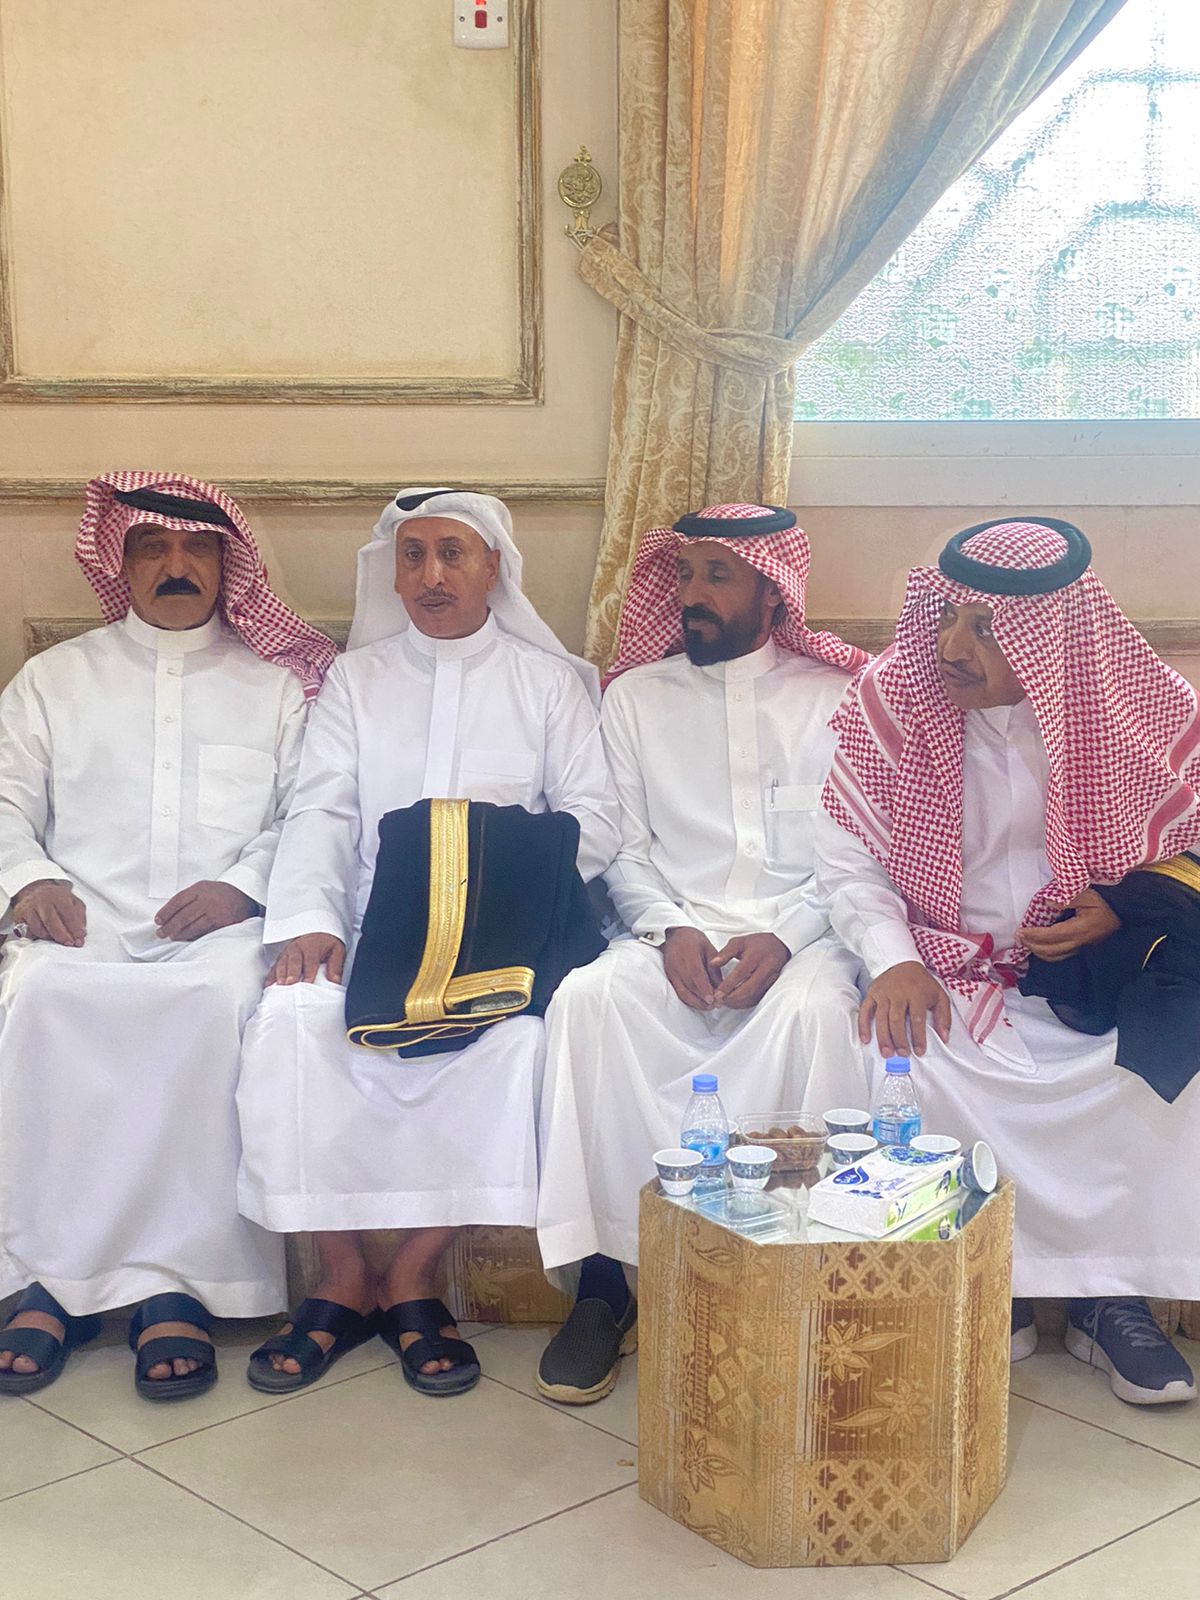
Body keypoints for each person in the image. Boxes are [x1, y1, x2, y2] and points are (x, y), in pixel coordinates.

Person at [235, 489, 620, 1398]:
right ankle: (341, 1277)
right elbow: (322, 809)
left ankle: (413, 1275)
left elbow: (595, 819)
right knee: (289, 1026)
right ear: (393, 573)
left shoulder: (548, 684)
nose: (432, 575)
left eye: (453, 554)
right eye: (413, 556)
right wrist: (309, 921)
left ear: (494, 570)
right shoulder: (355, 681)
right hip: (372, 925)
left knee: (516, 1045)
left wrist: (498, 888)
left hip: (505, 938)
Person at [816, 516, 1200, 1406]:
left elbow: (1189, 845)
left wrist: (1124, 907)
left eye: (986, 628)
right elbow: (844, 860)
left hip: (1091, 976)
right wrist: (893, 960)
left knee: (1168, 1060)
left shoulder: (1137, 703)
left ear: (1052, 635)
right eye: (948, 616)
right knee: (900, 1049)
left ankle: (1112, 1294)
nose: (952, 647)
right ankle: (997, 1283)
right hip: (942, 965)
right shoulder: (891, 698)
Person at [0, 471, 333, 1401]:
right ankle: (45, 1279)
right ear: (122, 561)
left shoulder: (277, 687)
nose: (176, 566)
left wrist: (243, 888)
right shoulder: (54, 680)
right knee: (38, 997)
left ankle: (176, 1287)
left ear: (229, 567)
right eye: (154, 547)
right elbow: (6, 799)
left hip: (216, 938)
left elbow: (310, 813)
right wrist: (27, 880)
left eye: (197, 550)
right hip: (84, 925)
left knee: (215, 1004)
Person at [535, 502, 872, 1405]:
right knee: (588, 1002)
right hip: (673, 930)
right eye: (684, 574)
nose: (693, 594)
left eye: (718, 576)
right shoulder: (636, 699)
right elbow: (624, 847)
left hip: (805, 934)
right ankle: (605, 1285)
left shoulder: (838, 697)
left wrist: (788, 937)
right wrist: (665, 928)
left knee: (821, 1015)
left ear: (774, 591)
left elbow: (855, 853)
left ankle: (805, 1278)